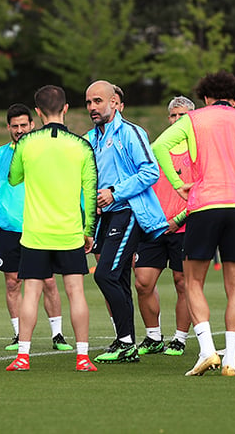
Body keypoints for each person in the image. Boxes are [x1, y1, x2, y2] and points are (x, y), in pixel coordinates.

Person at [151, 71, 235, 377]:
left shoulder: (195, 119)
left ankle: (207, 350)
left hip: (203, 206)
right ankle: (231, 361)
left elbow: (159, 146)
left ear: (205, 98)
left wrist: (178, 184)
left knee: (193, 281)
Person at [6, 85, 98, 373]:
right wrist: (89, 229)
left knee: (30, 293)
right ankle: (82, 357)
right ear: (67, 109)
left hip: (35, 232)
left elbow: (13, 178)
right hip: (69, 231)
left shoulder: (26, 143)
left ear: (37, 112)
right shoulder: (82, 146)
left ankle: (23, 356)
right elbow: (91, 191)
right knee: (76, 293)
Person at [85, 80, 167, 363]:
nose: (93, 107)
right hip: (103, 216)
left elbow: (151, 171)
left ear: (114, 102)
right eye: (89, 103)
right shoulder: (89, 138)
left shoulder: (131, 133)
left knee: (104, 274)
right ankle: (126, 343)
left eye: (98, 101)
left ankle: (126, 342)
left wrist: (115, 192)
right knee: (117, 278)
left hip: (128, 210)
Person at [0, 104, 73, 353]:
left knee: (48, 281)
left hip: (40, 226)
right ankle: (18, 335)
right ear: (8, 128)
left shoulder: (43, 150)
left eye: (23, 125)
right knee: (12, 283)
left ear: (32, 125)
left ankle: (58, 334)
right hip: (10, 229)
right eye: (14, 126)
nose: (19, 130)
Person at [133, 97, 194, 357]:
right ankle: (153, 336)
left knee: (183, 283)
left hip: (184, 227)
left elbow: (201, 193)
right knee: (143, 283)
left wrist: (177, 220)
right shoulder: (155, 149)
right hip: (154, 227)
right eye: (173, 116)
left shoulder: (198, 152)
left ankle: (179, 339)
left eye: (182, 116)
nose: (176, 120)